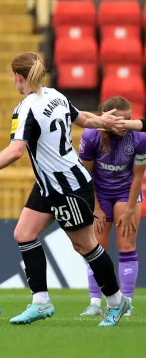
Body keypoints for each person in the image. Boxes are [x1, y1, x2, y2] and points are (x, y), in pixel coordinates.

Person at [0, 52, 132, 327]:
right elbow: (82, 119)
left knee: (85, 245)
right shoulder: (56, 95)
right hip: (49, 185)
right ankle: (41, 301)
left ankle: (116, 302)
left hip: (67, 186)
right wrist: (104, 121)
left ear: (19, 77)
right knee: (24, 233)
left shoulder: (26, 108)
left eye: (13, 76)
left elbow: (16, 150)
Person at [79, 96, 144, 317]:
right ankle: (95, 302)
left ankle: (126, 303)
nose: (124, 125)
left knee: (126, 245)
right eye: (120, 120)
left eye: (128, 119)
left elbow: (137, 177)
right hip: (99, 193)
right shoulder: (90, 136)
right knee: (96, 246)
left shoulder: (139, 138)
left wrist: (129, 210)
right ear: (107, 119)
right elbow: (86, 176)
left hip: (127, 193)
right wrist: (96, 207)